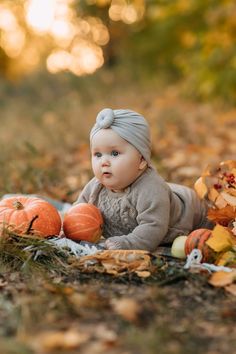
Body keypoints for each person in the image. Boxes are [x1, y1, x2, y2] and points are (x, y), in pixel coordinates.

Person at [75, 108, 212, 252]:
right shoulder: (96, 186)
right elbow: (79, 209)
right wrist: (71, 227)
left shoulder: (151, 189)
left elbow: (153, 226)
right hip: (165, 198)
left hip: (192, 215)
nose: (104, 162)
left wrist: (128, 243)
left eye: (114, 153)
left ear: (141, 160)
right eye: (97, 154)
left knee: (212, 235)